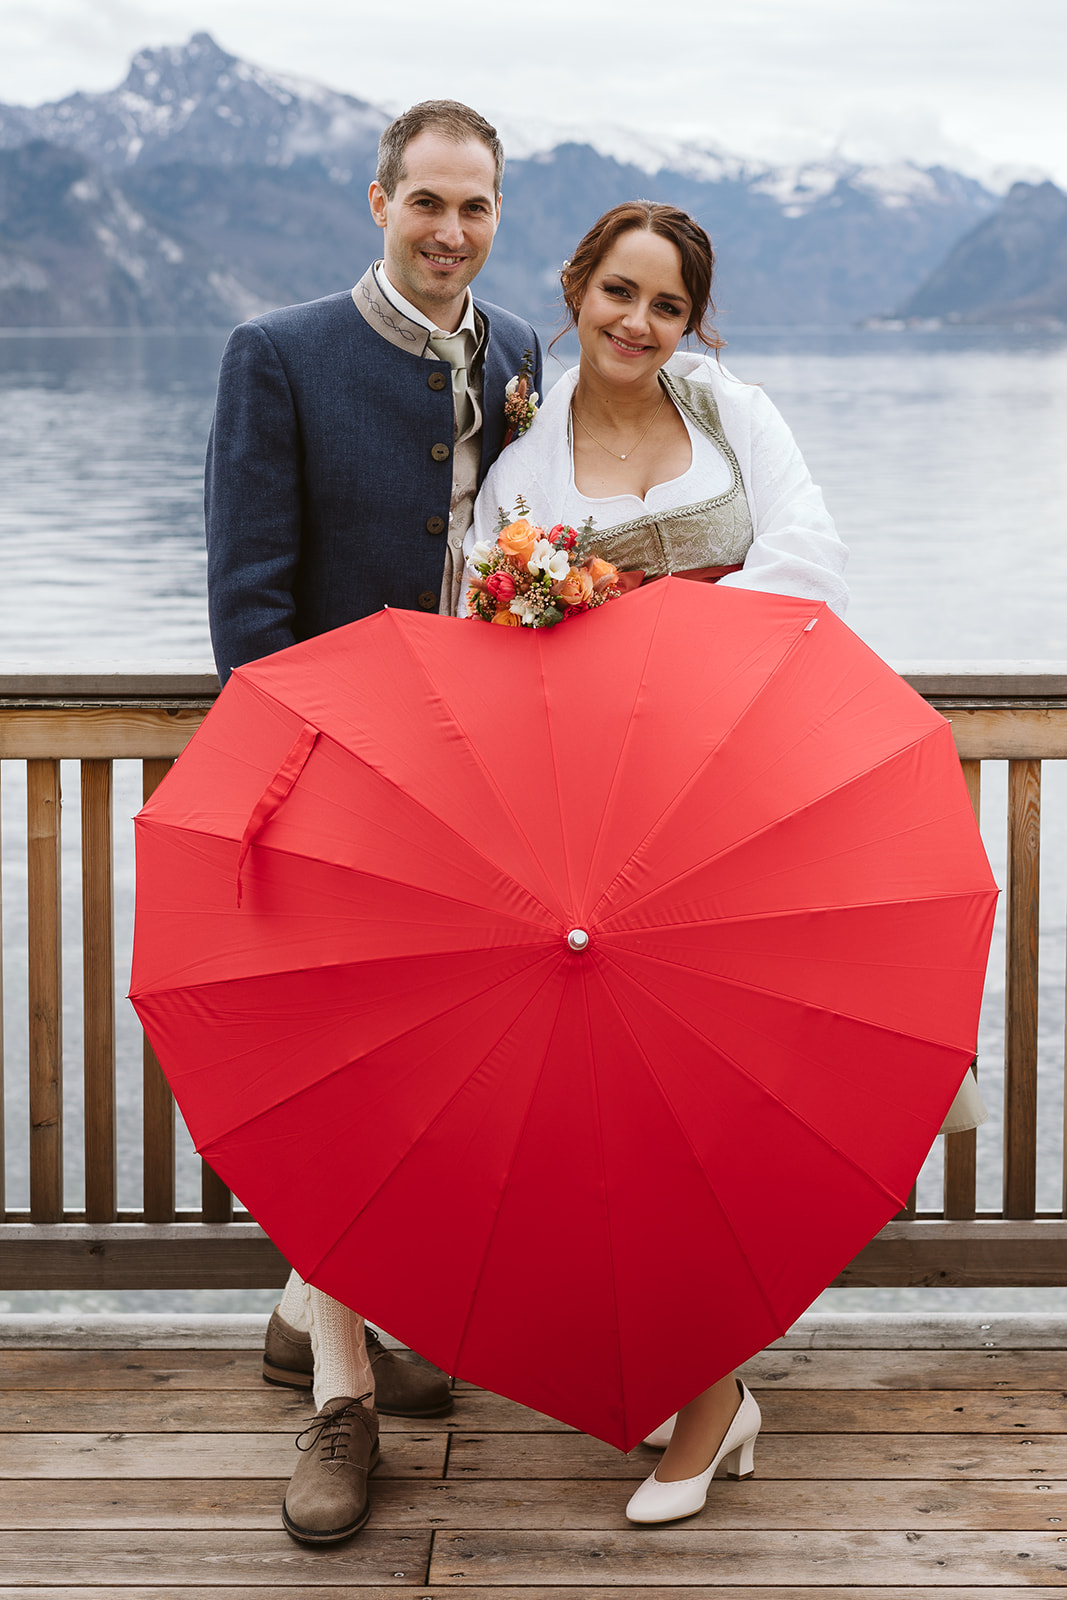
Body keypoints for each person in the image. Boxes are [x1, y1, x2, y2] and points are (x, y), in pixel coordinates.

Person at [467, 199, 987, 1525]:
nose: (639, 322)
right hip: (607, 814)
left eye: (668, 304)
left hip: (753, 796)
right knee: (626, 1108)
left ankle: (710, 1399)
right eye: (618, 292)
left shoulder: (730, 416)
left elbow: (813, 560)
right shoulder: (526, 460)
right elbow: (490, 624)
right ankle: (707, 1384)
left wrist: (639, 625)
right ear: (577, 288)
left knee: (741, 1097)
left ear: (694, 321)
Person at [205, 98, 542, 1545]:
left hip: (483, 799)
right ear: (377, 202)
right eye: (428, 205)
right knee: (342, 1086)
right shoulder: (276, 356)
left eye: (475, 209)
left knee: (441, 1085)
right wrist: (295, 793)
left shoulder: (521, 354)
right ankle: (340, 1396)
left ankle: (303, 1306)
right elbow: (249, 615)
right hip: (339, 791)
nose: (451, 232)